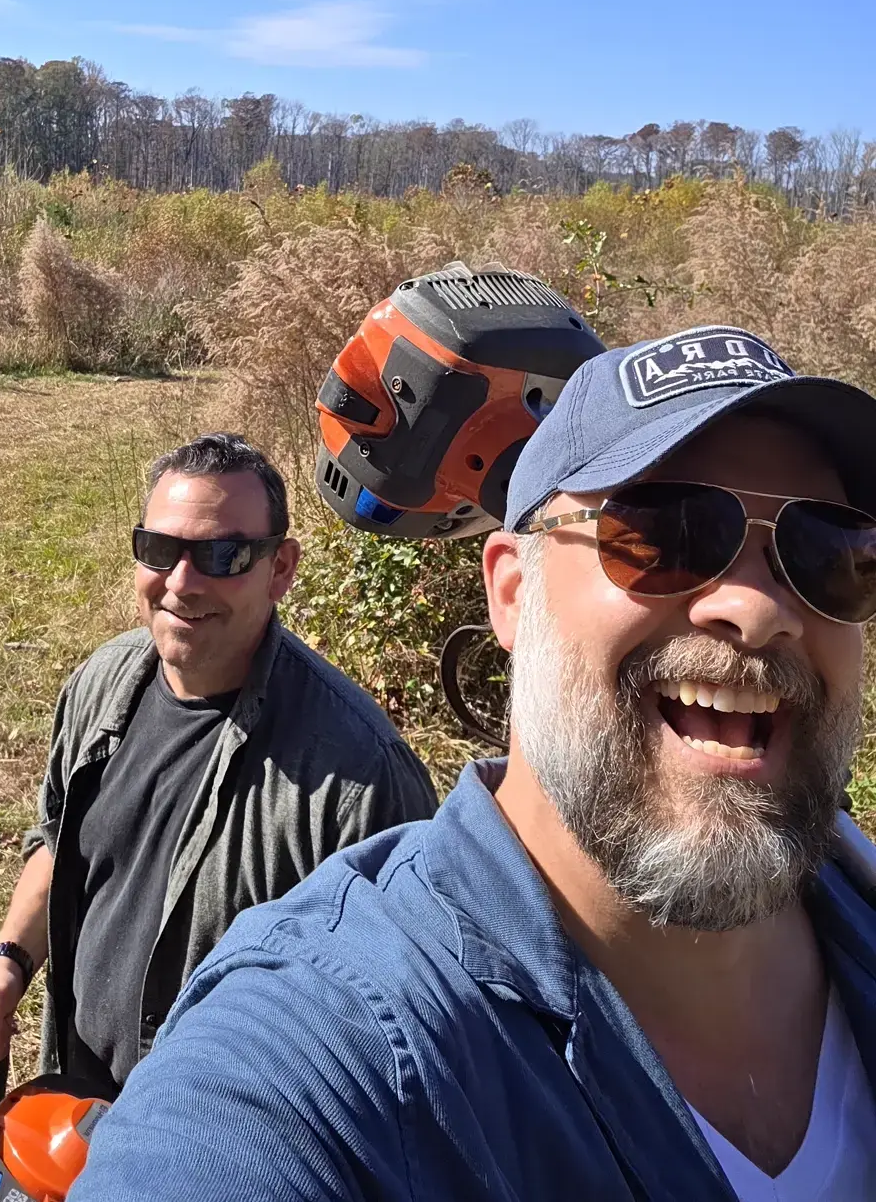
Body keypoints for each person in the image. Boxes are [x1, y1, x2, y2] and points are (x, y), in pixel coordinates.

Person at [70, 327, 876, 1200]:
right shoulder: (335, 1039)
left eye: (828, 553)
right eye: (666, 533)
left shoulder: (856, 898)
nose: (760, 609)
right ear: (512, 591)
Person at [0, 431, 437, 1099]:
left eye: (223, 556)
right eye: (159, 549)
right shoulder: (100, 684)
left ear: (281, 568)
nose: (180, 582)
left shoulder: (359, 777)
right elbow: (58, 842)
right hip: (78, 1100)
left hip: (225, 1134)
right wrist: (7, 960)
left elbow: (396, 1029)